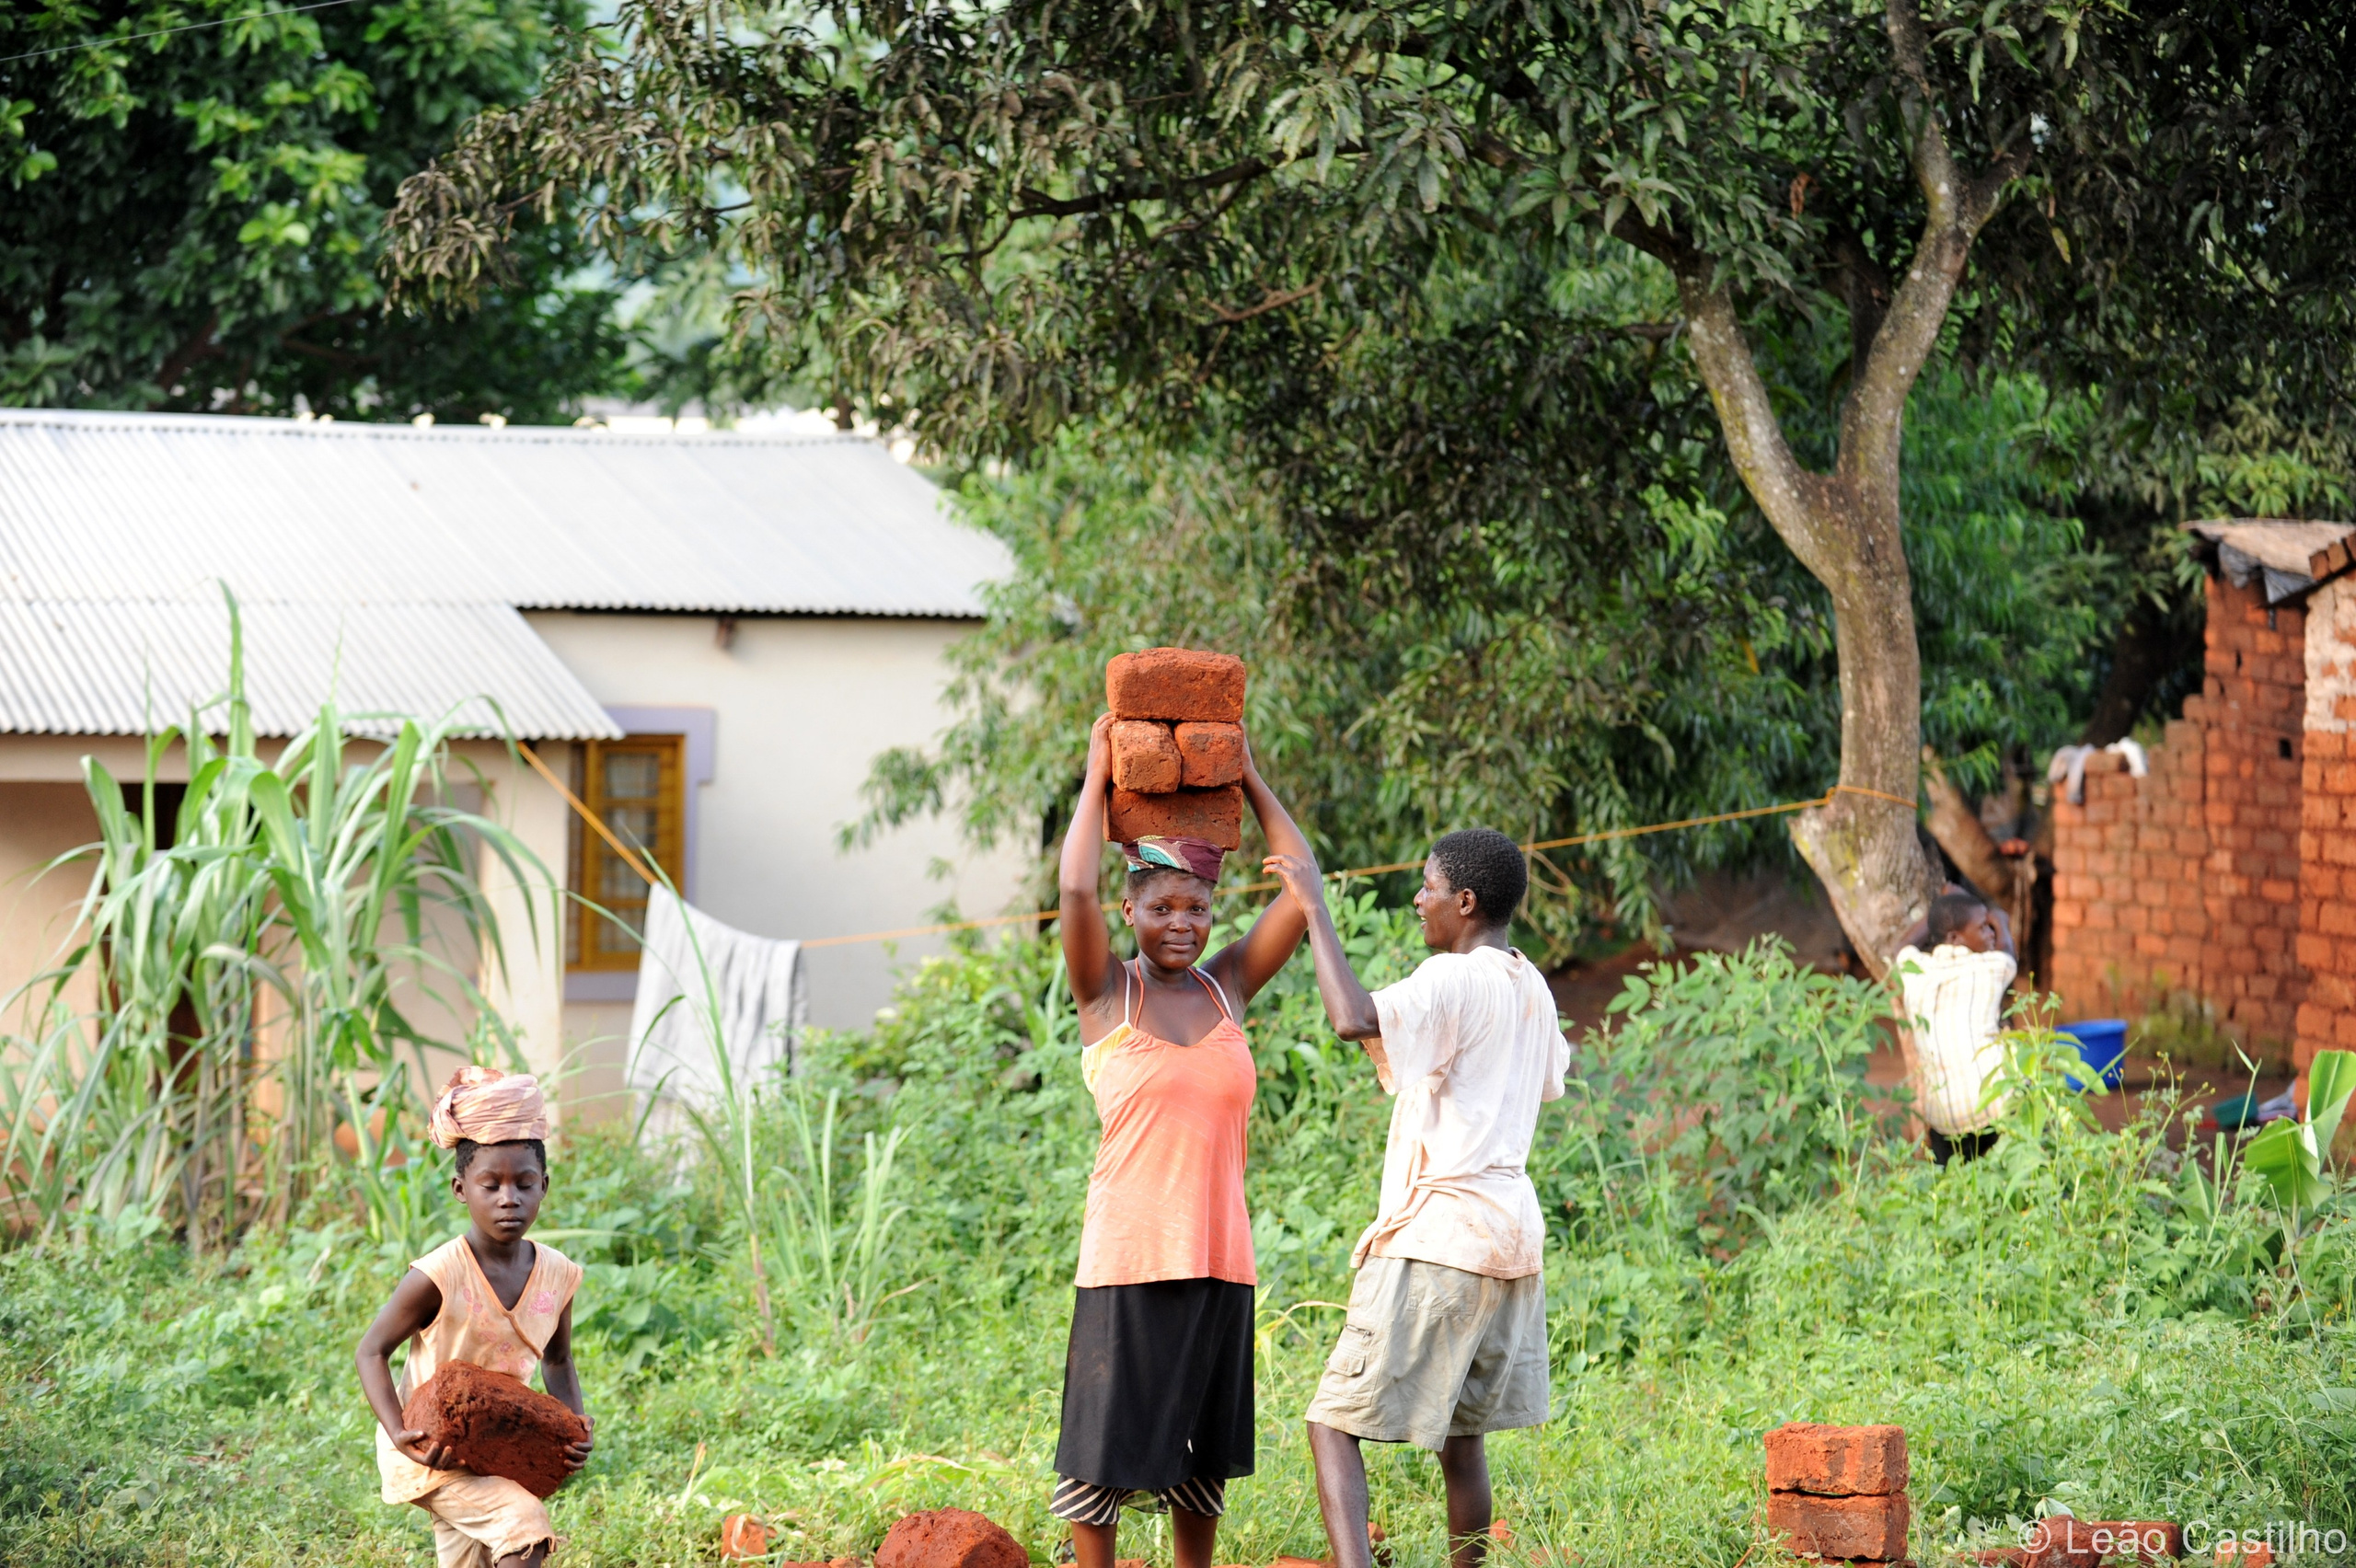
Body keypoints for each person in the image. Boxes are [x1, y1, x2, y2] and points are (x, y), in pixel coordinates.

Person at [1049, 713, 1317, 1568]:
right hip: (1128, 1262)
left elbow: (1305, 888)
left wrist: (1247, 776)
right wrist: (1096, 777)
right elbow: (1075, 895)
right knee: (1101, 1468)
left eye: (1196, 908)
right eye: (1160, 907)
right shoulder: (1105, 995)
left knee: (1200, 1473)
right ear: (1131, 910)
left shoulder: (1228, 986)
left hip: (1220, 1260)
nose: (1180, 923)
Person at [1264, 827, 1568, 1568]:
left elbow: (1353, 1018)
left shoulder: (1453, 976)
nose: (1418, 899)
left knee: (1333, 1424)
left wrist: (1313, 909)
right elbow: (1550, 1080)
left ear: (1465, 901)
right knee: (1462, 1444)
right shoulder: (1531, 984)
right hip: (1510, 1246)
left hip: (1442, 1238)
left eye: (1428, 887)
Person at [356, 1066, 594, 1568]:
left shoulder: (558, 1274)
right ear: (461, 1189)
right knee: (522, 1526)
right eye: (492, 1184)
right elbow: (371, 1350)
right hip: (433, 1452)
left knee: (470, 1561)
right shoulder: (439, 1273)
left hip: (493, 1444)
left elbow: (558, 1358)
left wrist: (573, 1422)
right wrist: (401, 1433)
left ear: (544, 1186)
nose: (509, 1197)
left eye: (524, 1183)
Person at [1893, 888, 2018, 1165]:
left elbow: (1901, 947)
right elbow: (2008, 953)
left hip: (1945, 1120)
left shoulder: (1916, 972)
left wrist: (1938, 912)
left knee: (1955, 1191)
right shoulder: (1987, 969)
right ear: (1954, 938)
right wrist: (2000, 919)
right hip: (1996, 1108)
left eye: (1989, 927)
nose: (1990, 933)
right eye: (1983, 927)